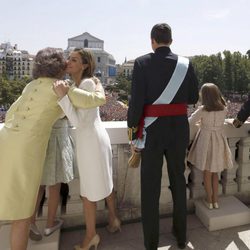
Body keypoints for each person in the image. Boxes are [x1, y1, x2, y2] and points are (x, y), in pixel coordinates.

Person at [0, 47, 106, 250]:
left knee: (11, 205)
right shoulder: (62, 87)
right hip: (26, 151)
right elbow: (98, 100)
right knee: (21, 217)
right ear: (59, 66)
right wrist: (99, 84)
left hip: (5, 142)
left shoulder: (31, 85)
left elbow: (11, 114)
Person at [127, 23, 199, 250]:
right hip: (178, 130)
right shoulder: (186, 64)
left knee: (150, 188)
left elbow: (136, 103)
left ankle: (151, 242)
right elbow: (192, 97)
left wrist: (132, 133)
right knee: (178, 181)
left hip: (152, 132)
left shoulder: (141, 63)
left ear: (152, 40)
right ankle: (180, 235)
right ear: (171, 40)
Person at [53, 48, 120, 250]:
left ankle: (91, 236)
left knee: (87, 193)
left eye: (74, 60)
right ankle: (114, 219)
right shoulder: (81, 84)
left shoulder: (88, 83)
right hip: (94, 139)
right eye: (69, 59)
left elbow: (80, 122)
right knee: (105, 181)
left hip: (90, 141)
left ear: (84, 65)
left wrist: (62, 98)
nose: (68, 62)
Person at [29, 117, 77, 241]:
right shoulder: (63, 96)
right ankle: (49, 225)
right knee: (55, 186)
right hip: (59, 138)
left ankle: (31, 222)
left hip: (42, 139)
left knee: (39, 186)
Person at [187, 83, 233, 209]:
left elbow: (190, 122)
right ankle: (215, 200)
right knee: (215, 173)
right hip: (219, 140)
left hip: (206, 140)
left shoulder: (203, 109)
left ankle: (209, 200)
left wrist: (201, 125)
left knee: (207, 173)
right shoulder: (224, 108)